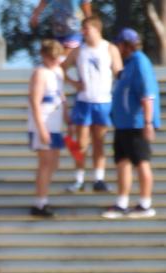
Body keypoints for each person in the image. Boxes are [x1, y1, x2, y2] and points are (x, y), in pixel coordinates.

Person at [103, 28, 161, 219]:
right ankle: (122, 203)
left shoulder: (140, 62)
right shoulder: (127, 64)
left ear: (127, 45)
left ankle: (145, 204)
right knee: (122, 162)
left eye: (119, 44)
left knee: (141, 162)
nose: (117, 47)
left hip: (136, 123)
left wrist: (147, 122)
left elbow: (147, 94)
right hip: (123, 124)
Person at [63, 16, 122, 193]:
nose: (83, 32)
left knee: (99, 141)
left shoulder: (109, 48)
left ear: (97, 29)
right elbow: (61, 68)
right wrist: (73, 83)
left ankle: (99, 178)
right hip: (84, 101)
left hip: (103, 101)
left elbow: (119, 73)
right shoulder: (78, 51)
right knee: (81, 143)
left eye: (86, 28)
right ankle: (79, 179)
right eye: (82, 29)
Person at [28, 38, 68, 218]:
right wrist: (41, 129)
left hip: (56, 123)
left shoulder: (58, 71)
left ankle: (43, 196)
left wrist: (67, 114)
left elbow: (61, 95)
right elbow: (35, 102)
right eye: (51, 57)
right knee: (45, 163)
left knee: (54, 163)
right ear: (43, 56)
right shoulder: (40, 73)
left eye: (56, 57)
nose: (54, 61)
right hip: (43, 123)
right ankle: (40, 203)